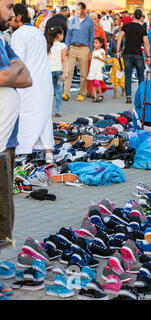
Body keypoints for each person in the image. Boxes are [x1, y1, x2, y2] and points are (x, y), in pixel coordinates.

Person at [0, 0, 32, 263]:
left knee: (4, 214)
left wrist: (9, 73)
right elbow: (4, 77)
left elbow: (27, 76)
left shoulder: (2, 39)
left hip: (7, 139)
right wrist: (11, 73)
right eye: (9, 6)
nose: (13, 15)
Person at [10, 3, 54, 162]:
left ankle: (22, 153)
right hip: (44, 82)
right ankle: (49, 155)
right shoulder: (37, 32)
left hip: (28, 83)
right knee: (44, 117)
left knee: (25, 117)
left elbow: (17, 61)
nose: (9, 20)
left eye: (12, 16)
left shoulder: (19, 34)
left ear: (19, 17)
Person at [116, 9, 150, 104]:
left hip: (127, 54)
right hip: (138, 54)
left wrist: (118, 50)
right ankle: (141, 96)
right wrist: (148, 56)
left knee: (128, 76)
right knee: (141, 77)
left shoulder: (126, 26)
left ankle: (128, 97)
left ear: (133, 16)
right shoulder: (142, 28)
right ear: (141, 17)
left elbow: (120, 37)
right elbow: (146, 43)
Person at [63, 2, 95, 102]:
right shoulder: (73, 20)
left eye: (79, 9)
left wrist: (91, 51)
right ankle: (66, 93)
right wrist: (67, 48)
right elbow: (68, 35)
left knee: (83, 73)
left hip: (84, 48)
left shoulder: (89, 21)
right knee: (69, 71)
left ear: (84, 10)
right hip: (73, 47)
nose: (77, 10)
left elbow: (92, 36)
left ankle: (81, 93)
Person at [46, 26, 67, 117]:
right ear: (59, 35)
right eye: (62, 34)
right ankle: (57, 111)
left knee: (49, 92)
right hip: (59, 70)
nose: (63, 36)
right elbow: (63, 60)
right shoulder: (62, 45)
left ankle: (47, 110)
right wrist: (64, 72)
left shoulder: (47, 45)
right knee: (58, 92)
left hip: (49, 70)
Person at [87, 37, 106, 103]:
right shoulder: (93, 50)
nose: (94, 44)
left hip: (98, 68)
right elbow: (90, 59)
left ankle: (100, 95)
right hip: (93, 68)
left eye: (96, 43)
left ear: (101, 44)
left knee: (96, 82)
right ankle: (95, 96)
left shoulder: (102, 50)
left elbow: (104, 59)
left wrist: (98, 58)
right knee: (93, 83)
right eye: (94, 43)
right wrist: (89, 57)